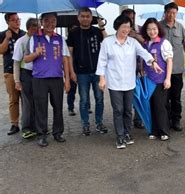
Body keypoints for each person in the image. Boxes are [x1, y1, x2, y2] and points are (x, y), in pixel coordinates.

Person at [96, 15, 162, 149]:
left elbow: (144, 53)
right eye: (124, 26)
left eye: (128, 27)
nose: (126, 29)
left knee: (127, 110)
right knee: (118, 110)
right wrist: (102, 78)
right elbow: (102, 61)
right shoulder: (107, 42)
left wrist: (153, 62)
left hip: (129, 82)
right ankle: (119, 136)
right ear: (117, 27)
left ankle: (127, 133)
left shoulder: (132, 42)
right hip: (115, 83)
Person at [24, 12, 71, 147]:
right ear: (41, 22)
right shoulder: (34, 38)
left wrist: (67, 79)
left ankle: (58, 132)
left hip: (56, 78)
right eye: (47, 20)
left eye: (53, 21)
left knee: (58, 106)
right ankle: (42, 134)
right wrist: (35, 53)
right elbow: (26, 59)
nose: (50, 23)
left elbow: (65, 60)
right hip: (39, 79)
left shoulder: (60, 39)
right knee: (41, 107)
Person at [67, 7, 108, 136]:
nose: (85, 18)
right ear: (78, 18)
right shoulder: (73, 33)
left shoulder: (97, 31)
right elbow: (70, 54)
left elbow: (107, 43)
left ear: (92, 18)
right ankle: (85, 125)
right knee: (84, 100)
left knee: (99, 99)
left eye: (88, 16)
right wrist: (72, 72)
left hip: (97, 72)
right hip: (81, 72)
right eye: (82, 16)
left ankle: (99, 123)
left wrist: (102, 28)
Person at [161, 2, 185, 132]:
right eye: (169, 12)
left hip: (176, 70)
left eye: (174, 13)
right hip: (162, 70)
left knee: (176, 97)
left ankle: (176, 120)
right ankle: (166, 120)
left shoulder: (180, 27)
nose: (171, 15)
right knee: (164, 98)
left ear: (176, 13)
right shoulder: (158, 27)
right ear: (165, 12)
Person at [140, 18, 173, 141]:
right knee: (150, 105)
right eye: (149, 29)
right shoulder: (145, 44)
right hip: (148, 80)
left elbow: (169, 61)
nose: (152, 31)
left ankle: (164, 131)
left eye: (154, 29)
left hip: (160, 79)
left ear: (158, 29)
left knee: (160, 106)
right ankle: (152, 130)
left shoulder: (164, 43)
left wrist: (168, 79)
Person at [12, 18, 38, 139]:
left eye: (37, 26)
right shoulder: (21, 41)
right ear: (28, 28)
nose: (36, 29)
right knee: (27, 103)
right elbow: (16, 62)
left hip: (39, 75)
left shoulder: (39, 40)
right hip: (25, 74)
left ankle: (38, 126)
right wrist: (17, 81)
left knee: (38, 102)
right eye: (33, 26)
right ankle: (26, 128)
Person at [0, 13, 26, 135]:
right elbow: (1, 50)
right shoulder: (3, 34)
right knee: (13, 99)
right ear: (7, 22)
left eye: (18, 19)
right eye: (13, 20)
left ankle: (27, 122)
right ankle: (14, 124)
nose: (17, 22)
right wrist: (7, 38)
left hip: (24, 70)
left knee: (26, 98)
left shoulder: (24, 34)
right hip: (9, 71)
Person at [121, 8, 146, 129]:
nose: (131, 19)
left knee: (139, 94)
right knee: (126, 96)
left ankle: (138, 119)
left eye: (132, 17)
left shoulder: (140, 29)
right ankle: (125, 120)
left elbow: (146, 44)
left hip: (139, 68)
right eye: (128, 17)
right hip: (125, 69)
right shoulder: (120, 30)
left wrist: (135, 35)